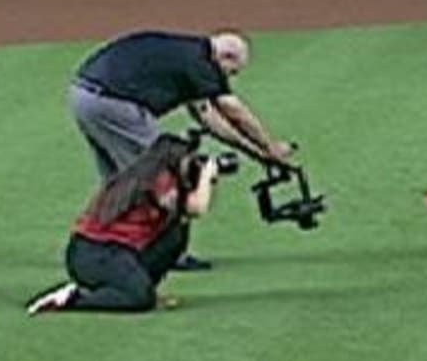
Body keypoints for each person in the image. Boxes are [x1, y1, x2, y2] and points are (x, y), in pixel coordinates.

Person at [66, 29, 295, 271]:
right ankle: (166, 252)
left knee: (120, 180)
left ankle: (109, 242)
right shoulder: (201, 62)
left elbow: (208, 118)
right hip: (115, 103)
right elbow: (231, 109)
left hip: (83, 96)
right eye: (232, 71)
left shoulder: (185, 54)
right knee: (163, 175)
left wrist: (258, 153)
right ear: (224, 57)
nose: (229, 78)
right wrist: (270, 146)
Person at [24, 132, 219, 314]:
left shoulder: (147, 173)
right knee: (138, 299)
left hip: (119, 251)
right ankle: (72, 299)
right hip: (93, 253)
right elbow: (197, 207)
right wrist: (206, 176)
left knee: (176, 232)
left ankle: (143, 288)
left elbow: (184, 212)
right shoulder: (160, 179)